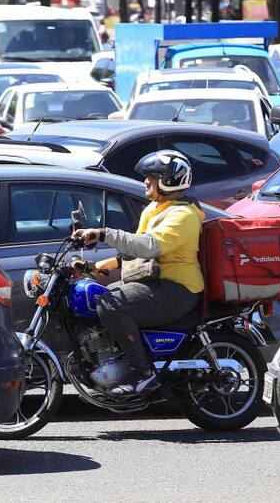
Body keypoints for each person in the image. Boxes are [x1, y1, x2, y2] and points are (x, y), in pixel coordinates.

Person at [71, 150, 204, 396]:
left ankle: (143, 373)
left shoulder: (184, 214)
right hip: (155, 283)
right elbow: (131, 257)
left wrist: (104, 233)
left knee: (112, 304)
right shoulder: (154, 209)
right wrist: (89, 269)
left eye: (151, 177)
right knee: (101, 295)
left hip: (178, 289)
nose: (146, 181)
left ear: (170, 179)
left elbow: (150, 245)